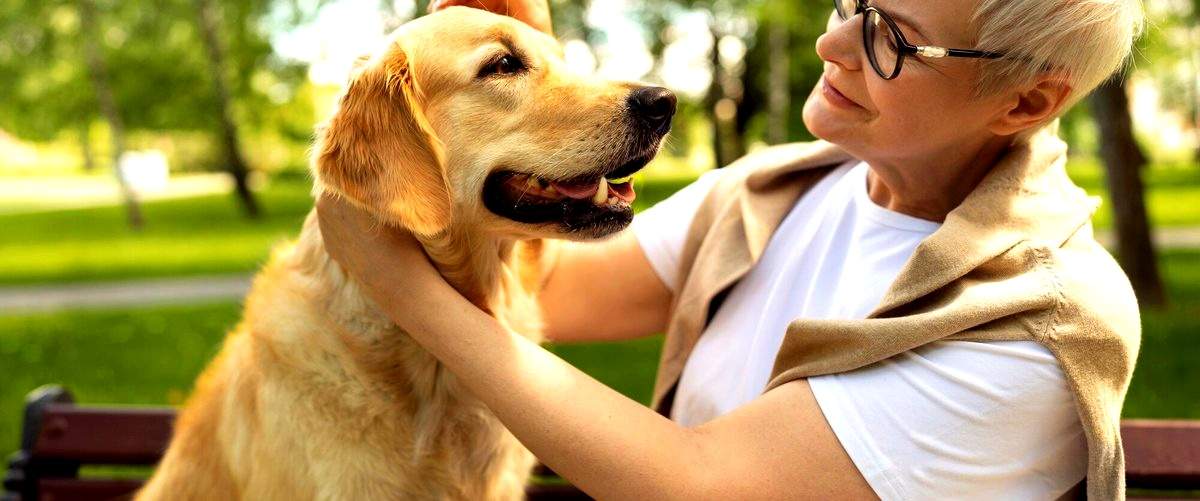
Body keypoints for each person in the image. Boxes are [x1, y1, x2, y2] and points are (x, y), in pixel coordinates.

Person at [317, 0, 1145, 498]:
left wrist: (403, 288)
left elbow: (696, 486)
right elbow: (553, 287)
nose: (835, 44)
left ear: (1024, 99)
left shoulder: (1044, 321)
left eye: (892, 37)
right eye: (851, 0)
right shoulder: (779, 192)